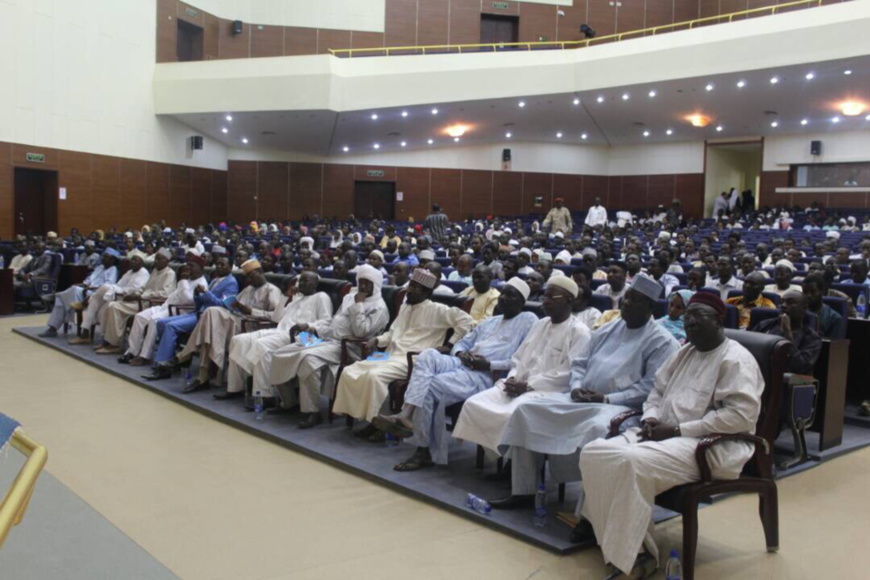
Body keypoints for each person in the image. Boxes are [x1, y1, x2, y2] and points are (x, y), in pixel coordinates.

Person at [573, 292, 765, 577]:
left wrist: (677, 429)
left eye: (698, 316)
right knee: (593, 453)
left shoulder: (736, 359)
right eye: (688, 316)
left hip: (709, 445)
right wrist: (650, 418)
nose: (690, 322)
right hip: (666, 436)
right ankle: (617, 539)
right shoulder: (684, 352)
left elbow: (739, 417)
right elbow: (656, 391)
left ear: (719, 320)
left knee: (628, 462)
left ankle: (640, 558)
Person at [489, 274, 679, 509]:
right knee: (527, 410)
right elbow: (579, 362)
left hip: (620, 407)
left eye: (634, 300)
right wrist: (577, 386)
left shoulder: (662, 341)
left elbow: (650, 388)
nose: (625, 303)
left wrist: (607, 397)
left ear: (650, 307)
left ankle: (589, 512)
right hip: (582, 398)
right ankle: (524, 490)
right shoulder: (609, 328)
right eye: (626, 298)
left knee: (599, 429)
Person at [374, 278, 538, 470]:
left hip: (483, 375)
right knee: (427, 355)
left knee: (431, 386)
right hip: (461, 363)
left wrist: (489, 364)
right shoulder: (490, 322)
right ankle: (406, 413)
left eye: (511, 295)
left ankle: (422, 450)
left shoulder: (529, 320)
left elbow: (521, 360)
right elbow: (462, 343)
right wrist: (460, 353)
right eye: (503, 293)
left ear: (522, 301)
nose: (504, 298)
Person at [451, 277, 592, 457]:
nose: (545, 301)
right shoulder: (540, 324)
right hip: (518, 384)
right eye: (544, 296)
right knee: (475, 403)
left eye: (551, 297)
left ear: (569, 300)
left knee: (513, 413)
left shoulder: (579, 332)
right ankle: (498, 456)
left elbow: (567, 373)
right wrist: (513, 377)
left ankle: (510, 463)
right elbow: (519, 358)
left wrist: (528, 386)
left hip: (548, 392)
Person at [332, 269, 474, 434]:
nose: (410, 290)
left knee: (374, 376)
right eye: (410, 286)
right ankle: (370, 419)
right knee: (351, 370)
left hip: (412, 359)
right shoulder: (406, 307)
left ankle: (379, 426)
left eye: (415, 287)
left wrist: (449, 346)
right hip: (390, 354)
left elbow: (467, 322)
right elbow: (392, 333)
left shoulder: (438, 309)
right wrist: (377, 340)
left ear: (427, 292)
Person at [268, 265, 390, 428]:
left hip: (349, 347)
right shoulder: (350, 298)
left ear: (376, 286)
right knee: (282, 352)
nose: (363, 287)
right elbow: (334, 322)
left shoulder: (379, 307)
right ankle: (288, 402)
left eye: (368, 284)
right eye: (361, 283)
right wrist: (311, 326)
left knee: (308, 359)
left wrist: (359, 305)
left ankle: (312, 411)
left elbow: (361, 332)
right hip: (327, 339)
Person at [216, 271, 333, 400]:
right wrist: (285, 297)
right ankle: (235, 388)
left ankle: (265, 396)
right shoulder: (296, 298)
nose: (301, 283)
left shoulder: (321, 297)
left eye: (306, 280)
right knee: (238, 340)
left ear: (315, 283)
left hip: (302, 337)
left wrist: (307, 325)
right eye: (301, 281)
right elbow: (277, 318)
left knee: (261, 345)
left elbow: (327, 323)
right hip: (279, 331)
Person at [119, 258, 207, 366]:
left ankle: (144, 356)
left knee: (154, 320)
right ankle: (132, 351)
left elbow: (187, 300)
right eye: (187, 265)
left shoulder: (201, 283)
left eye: (191, 265)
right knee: (139, 317)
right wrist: (184, 280)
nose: (188, 268)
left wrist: (183, 280)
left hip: (179, 311)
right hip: (165, 306)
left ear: (200, 269)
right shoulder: (188, 279)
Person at [95, 250, 177, 354]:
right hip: (141, 301)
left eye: (159, 259)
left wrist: (140, 296)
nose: (155, 261)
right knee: (109, 305)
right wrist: (135, 294)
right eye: (155, 259)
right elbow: (144, 288)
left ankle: (114, 344)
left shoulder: (170, 273)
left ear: (166, 261)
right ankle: (109, 341)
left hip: (152, 304)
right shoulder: (155, 271)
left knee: (114, 307)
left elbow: (165, 294)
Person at [69, 254, 151, 345]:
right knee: (95, 302)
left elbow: (133, 290)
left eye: (135, 260)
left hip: (129, 298)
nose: (133, 262)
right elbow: (119, 284)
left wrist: (115, 289)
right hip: (117, 294)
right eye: (132, 260)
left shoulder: (144, 273)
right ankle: (85, 333)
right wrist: (115, 289)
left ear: (141, 263)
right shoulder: (129, 272)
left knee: (104, 288)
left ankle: (85, 304)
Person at [39, 249, 119, 338]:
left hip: (95, 294)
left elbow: (107, 286)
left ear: (112, 260)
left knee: (71, 291)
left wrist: (87, 287)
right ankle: (52, 328)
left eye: (107, 258)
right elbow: (88, 280)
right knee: (62, 298)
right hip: (85, 291)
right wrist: (83, 285)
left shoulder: (113, 269)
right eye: (104, 256)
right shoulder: (100, 267)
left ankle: (56, 296)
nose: (104, 259)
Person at [752, 290, 821, 374]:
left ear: (804, 308)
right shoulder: (765, 325)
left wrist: (788, 333)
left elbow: (800, 367)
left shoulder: (812, 338)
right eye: (782, 302)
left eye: (790, 303)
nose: (783, 305)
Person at [802, 273, 845, 339]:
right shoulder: (798, 313)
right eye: (805, 292)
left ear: (822, 292)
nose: (808, 295)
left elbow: (835, 348)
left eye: (813, 292)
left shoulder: (835, 319)